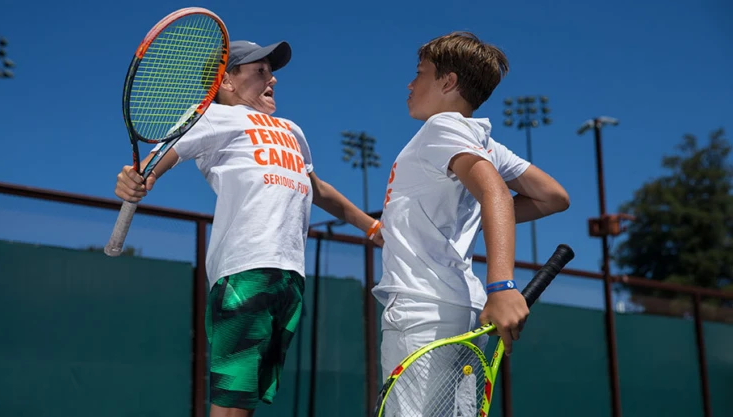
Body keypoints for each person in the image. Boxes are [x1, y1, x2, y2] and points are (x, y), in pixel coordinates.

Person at [113, 39, 383, 417]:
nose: (272, 79)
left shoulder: (292, 129)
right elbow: (158, 162)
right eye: (260, 71)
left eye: (271, 72)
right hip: (245, 270)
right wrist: (138, 179)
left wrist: (372, 228)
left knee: (247, 400)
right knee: (230, 402)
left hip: (290, 276)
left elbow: (319, 189)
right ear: (227, 83)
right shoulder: (209, 116)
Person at [374, 31, 570, 414]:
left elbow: (495, 193)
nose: (410, 84)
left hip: (422, 309)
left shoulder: (441, 127)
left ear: (448, 82)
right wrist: (470, 219)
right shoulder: (482, 140)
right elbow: (553, 196)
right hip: (455, 305)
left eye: (420, 73)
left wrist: (502, 285)